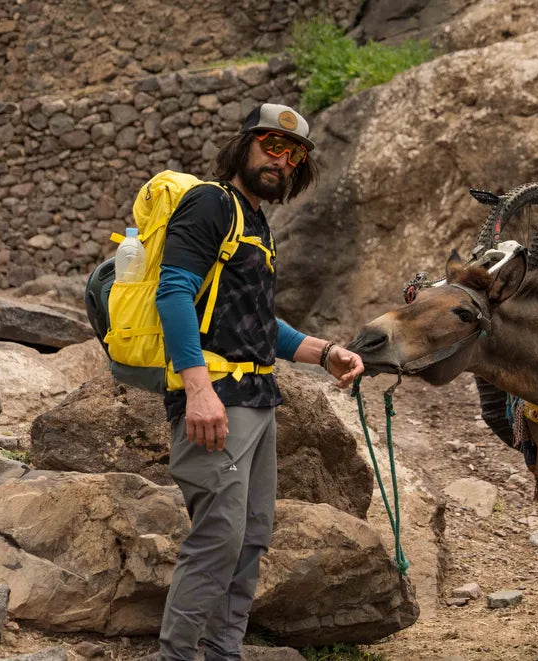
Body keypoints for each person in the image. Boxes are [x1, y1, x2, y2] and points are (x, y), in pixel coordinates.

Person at [153, 102, 364, 661]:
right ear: (243, 144)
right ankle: (178, 655)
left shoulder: (255, 221)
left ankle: (224, 651)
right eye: (271, 145)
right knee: (219, 536)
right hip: (216, 398)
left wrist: (322, 353)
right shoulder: (210, 204)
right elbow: (173, 292)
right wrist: (197, 390)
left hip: (258, 399)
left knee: (251, 536)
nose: (282, 160)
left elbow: (256, 321)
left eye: (292, 153)